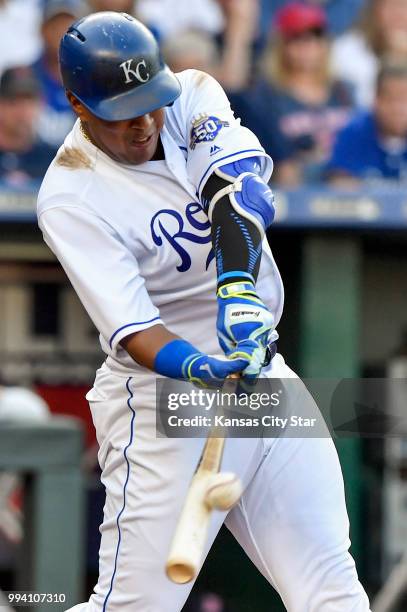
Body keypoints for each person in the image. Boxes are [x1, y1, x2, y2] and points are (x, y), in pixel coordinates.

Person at [37, 11, 371, 612]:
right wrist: (200, 369)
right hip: (166, 396)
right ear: (77, 105)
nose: (144, 124)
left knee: (332, 591)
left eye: (151, 103)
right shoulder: (69, 195)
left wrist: (238, 290)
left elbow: (239, 193)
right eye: (123, 113)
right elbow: (135, 331)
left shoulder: (190, 93)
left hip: (262, 376)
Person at [230, 2, 355, 186]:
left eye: (315, 36)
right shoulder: (265, 96)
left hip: (342, 185)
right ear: (281, 45)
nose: (307, 46)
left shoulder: (343, 90)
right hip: (289, 190)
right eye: (297, 37)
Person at [327, 62, 407, 185]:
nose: (397, 108)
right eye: (390, 99)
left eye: (404, 99)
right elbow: (339, 187)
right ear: (376, 100)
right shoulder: (353, 133)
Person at [332, 0, 407, 107]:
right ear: (374, 10)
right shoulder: (347, 49)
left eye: (403, 6)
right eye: (390, 6)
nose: (398, 15)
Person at [31, 0, 84, 149]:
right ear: (42, 30)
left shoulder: (90, 77)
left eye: (68, 27)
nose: (61, 33)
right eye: (55, 26)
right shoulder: (24, 77)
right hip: (35, 162)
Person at [0, 66, 56, 185]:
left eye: (29, 101)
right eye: (13, 101)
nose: (22, 111)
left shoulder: (53, 159)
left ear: (41, 103)